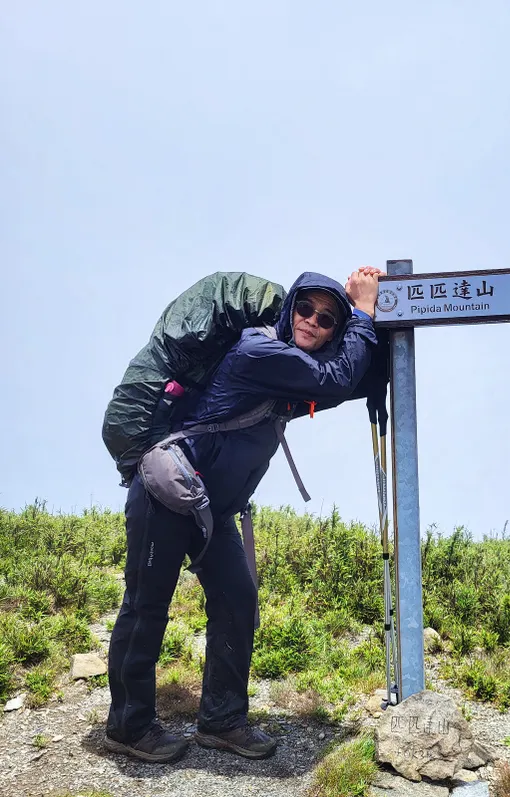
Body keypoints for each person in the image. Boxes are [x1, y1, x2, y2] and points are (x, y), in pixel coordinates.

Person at [105, 267, 383, 763]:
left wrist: (379, 335)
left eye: (326, 319)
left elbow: (341, 384)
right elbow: (334, 378)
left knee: (237, 599)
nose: (312, 322)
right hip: (167, 494)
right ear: (288, 308)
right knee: (146, 606)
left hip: (212, 510)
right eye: (305, 309)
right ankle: (128, 727)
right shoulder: (260, 351)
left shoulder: (286, 377)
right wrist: (361, 311)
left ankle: (222, 720)